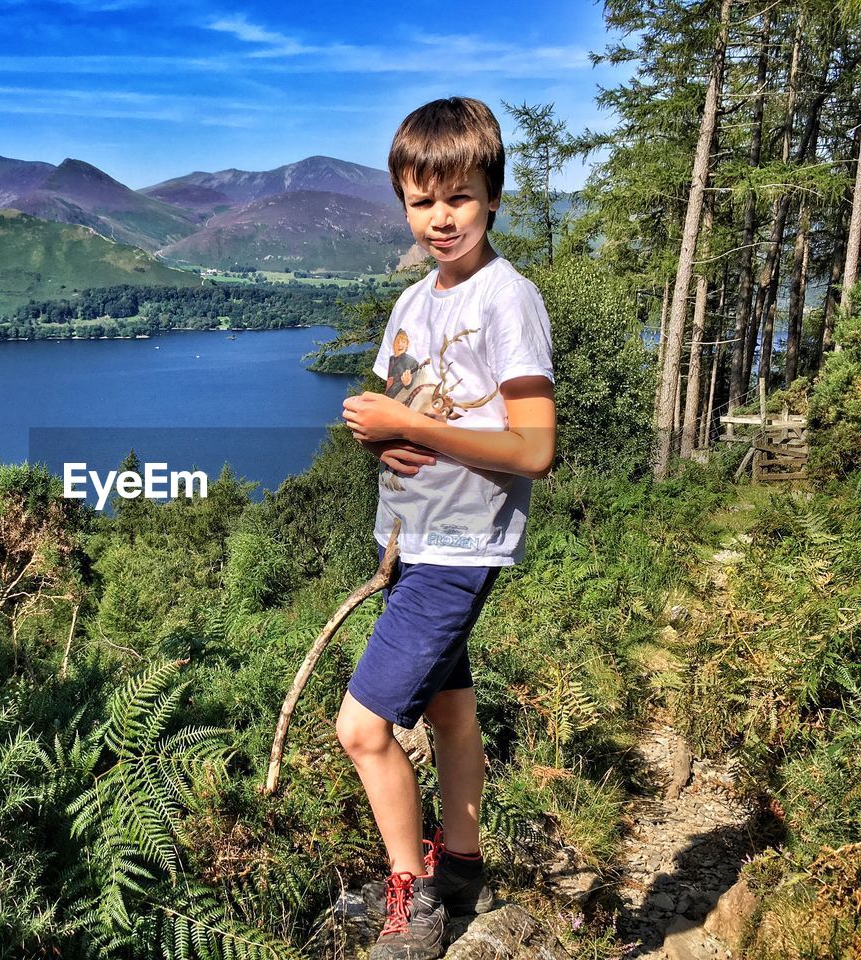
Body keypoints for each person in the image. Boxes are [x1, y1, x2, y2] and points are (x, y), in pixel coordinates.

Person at [339, 97, 557, 960]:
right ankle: (459, 867)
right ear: (402, 200)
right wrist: (386, 441)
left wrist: (417, 430)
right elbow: (408, 410)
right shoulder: (409, 303)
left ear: (492, 196)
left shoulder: (510, 299)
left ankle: (413, 903)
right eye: (423, 200)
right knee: (450, 712)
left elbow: (533, 447)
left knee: (362, 729)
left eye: (459, 198)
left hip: (461, 549)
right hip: (411, 541)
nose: (441, 217)